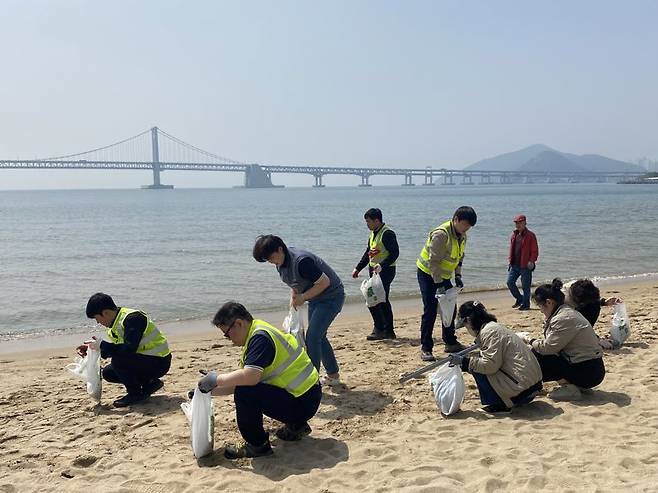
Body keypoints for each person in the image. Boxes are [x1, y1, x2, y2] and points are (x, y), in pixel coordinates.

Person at [197, 302, 321, 459]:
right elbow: (242, 381)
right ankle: (297, 426)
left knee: (246, 392)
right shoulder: (258, 330)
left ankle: (257, 445)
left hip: (303, 403)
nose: (229, 340)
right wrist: (210, 391)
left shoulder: (259, 339)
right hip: (308, 396)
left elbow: (249, 379)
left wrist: (217, 378)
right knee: (247, 388)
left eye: (227, 334)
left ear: (239, 323)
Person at [253, 235, 345, 386]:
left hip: (331, 297)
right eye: (266, 260)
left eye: (270, 257)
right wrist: (294, 298)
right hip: (314, 298)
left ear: (280, 249)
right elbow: (294, 281)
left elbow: (324, 282)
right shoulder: (281, 262)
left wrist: (303, 297)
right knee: (319, 337)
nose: (270, 262)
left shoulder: (302, 262)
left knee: (312, 338)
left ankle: (312, 381)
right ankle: (333, 375)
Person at [448, 301, 543, 414]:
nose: (466, 328)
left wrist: (464, 363)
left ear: (468, 320)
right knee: (474, 361)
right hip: (532, 385)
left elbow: (490, 366)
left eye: (464, 325)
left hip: (522, 392)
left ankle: (499, 404)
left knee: (475, 366)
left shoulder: (489, 332)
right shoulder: (493, 328)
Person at [79, 293, 171, 408]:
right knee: (108, 372)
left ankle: (135, 394)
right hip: (144, 360)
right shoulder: (115, 325)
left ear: (105, 312)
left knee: (119, 361)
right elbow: (115, 349)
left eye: (97, 319)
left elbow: (128, 350)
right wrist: (92, 349)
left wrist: (102, 344)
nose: (98, 323)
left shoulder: (133, 319)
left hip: (159, 362)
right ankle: (150, 384)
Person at [523, 279, 606, 401]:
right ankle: (572, 383)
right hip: (588, 366)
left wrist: (528, 339)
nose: (540, 310)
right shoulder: (563, 311)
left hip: (589, 372)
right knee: (537, 353)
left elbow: (548, 348)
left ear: (549, 302)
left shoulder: (564, 318)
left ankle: (570, 387)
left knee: (538, 358)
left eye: (540, 306)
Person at [416, 206, 477, 361]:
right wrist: (438, 284)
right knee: (430, 310)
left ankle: (450, 342)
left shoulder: (462, 235)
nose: (466, 229)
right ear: (456, 219)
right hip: (427, 273)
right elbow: (433, 262)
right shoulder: (441, 235)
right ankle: (426, 348)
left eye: (469, 227)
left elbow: (459, 257)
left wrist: (458, 275)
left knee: (449, 308)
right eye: (465, 225)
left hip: (443, 275)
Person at [352, 208, 399, 341]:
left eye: (368, 222)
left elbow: (395, 253)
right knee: (372, 299)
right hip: (374, 271)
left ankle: (387, 330)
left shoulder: (387, 233)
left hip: (386, 271)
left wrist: (382, 265)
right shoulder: (373, 233)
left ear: (376, 220)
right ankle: (380, 328)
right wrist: (358, 268)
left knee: (382, 301)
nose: (367, 224)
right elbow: (368, 252)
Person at [565, 279, 623, 349]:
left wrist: (604, 302)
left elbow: (591, 300)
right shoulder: (564, 300)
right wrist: (597, 340)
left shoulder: (582, 289)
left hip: (578, 314)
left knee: (594, 306)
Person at [506, 214, 539, 311]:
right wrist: (510, 261)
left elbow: (535, 250)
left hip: (525, 265)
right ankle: (519, 299)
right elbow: (512, 249)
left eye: (520, 223)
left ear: (525, 223)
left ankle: (526, 304)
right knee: (510, 282)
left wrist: (532, 261)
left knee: (526, 286)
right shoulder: (514, 235)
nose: (518, 225)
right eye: (516, 223)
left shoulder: (531, 235)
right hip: (514, 264)